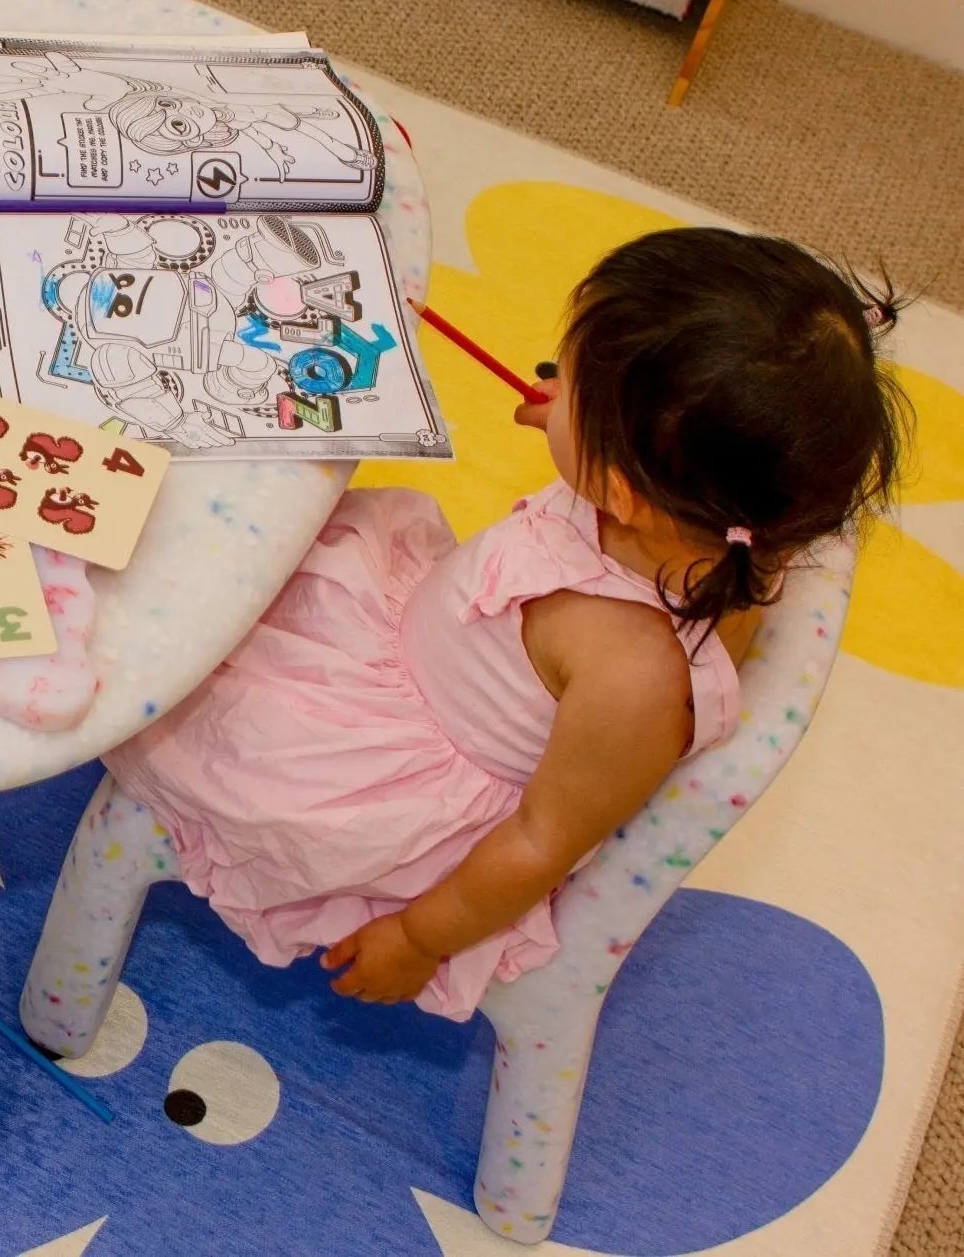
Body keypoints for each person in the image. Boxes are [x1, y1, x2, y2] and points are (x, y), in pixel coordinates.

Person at [103, 228, 908, 1019]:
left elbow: (540, 841)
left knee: (178, 670)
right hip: (415, 631)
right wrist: (575, 429)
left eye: (571, 384)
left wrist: (419, 938)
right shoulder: (708, 513)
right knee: (249, 554)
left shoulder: (633, 673)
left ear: (620, 490)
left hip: (379, 773)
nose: (551, 380)